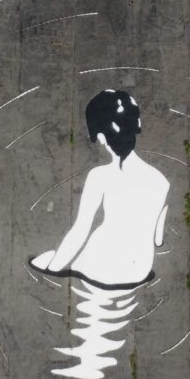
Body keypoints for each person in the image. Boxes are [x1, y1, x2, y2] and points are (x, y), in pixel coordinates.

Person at [31, 90, 170, 289]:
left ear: (101, 137)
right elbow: (158, 240)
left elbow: (80, 231)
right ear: (135, 126)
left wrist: (51, 270)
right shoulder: (162, 181)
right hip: (139, 273)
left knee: (44, 259)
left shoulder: (99, 176)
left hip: (97, 271)